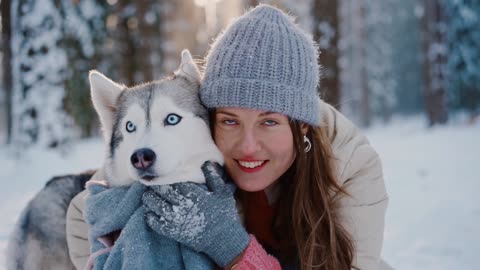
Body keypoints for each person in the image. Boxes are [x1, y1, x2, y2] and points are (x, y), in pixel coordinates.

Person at [66, 4, 390, 270]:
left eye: (270, 122)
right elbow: (85, 213)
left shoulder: (350, 165)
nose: (248, 146)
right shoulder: (189, 145)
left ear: (302, 124)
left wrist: (230, 246)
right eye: (230, 121)